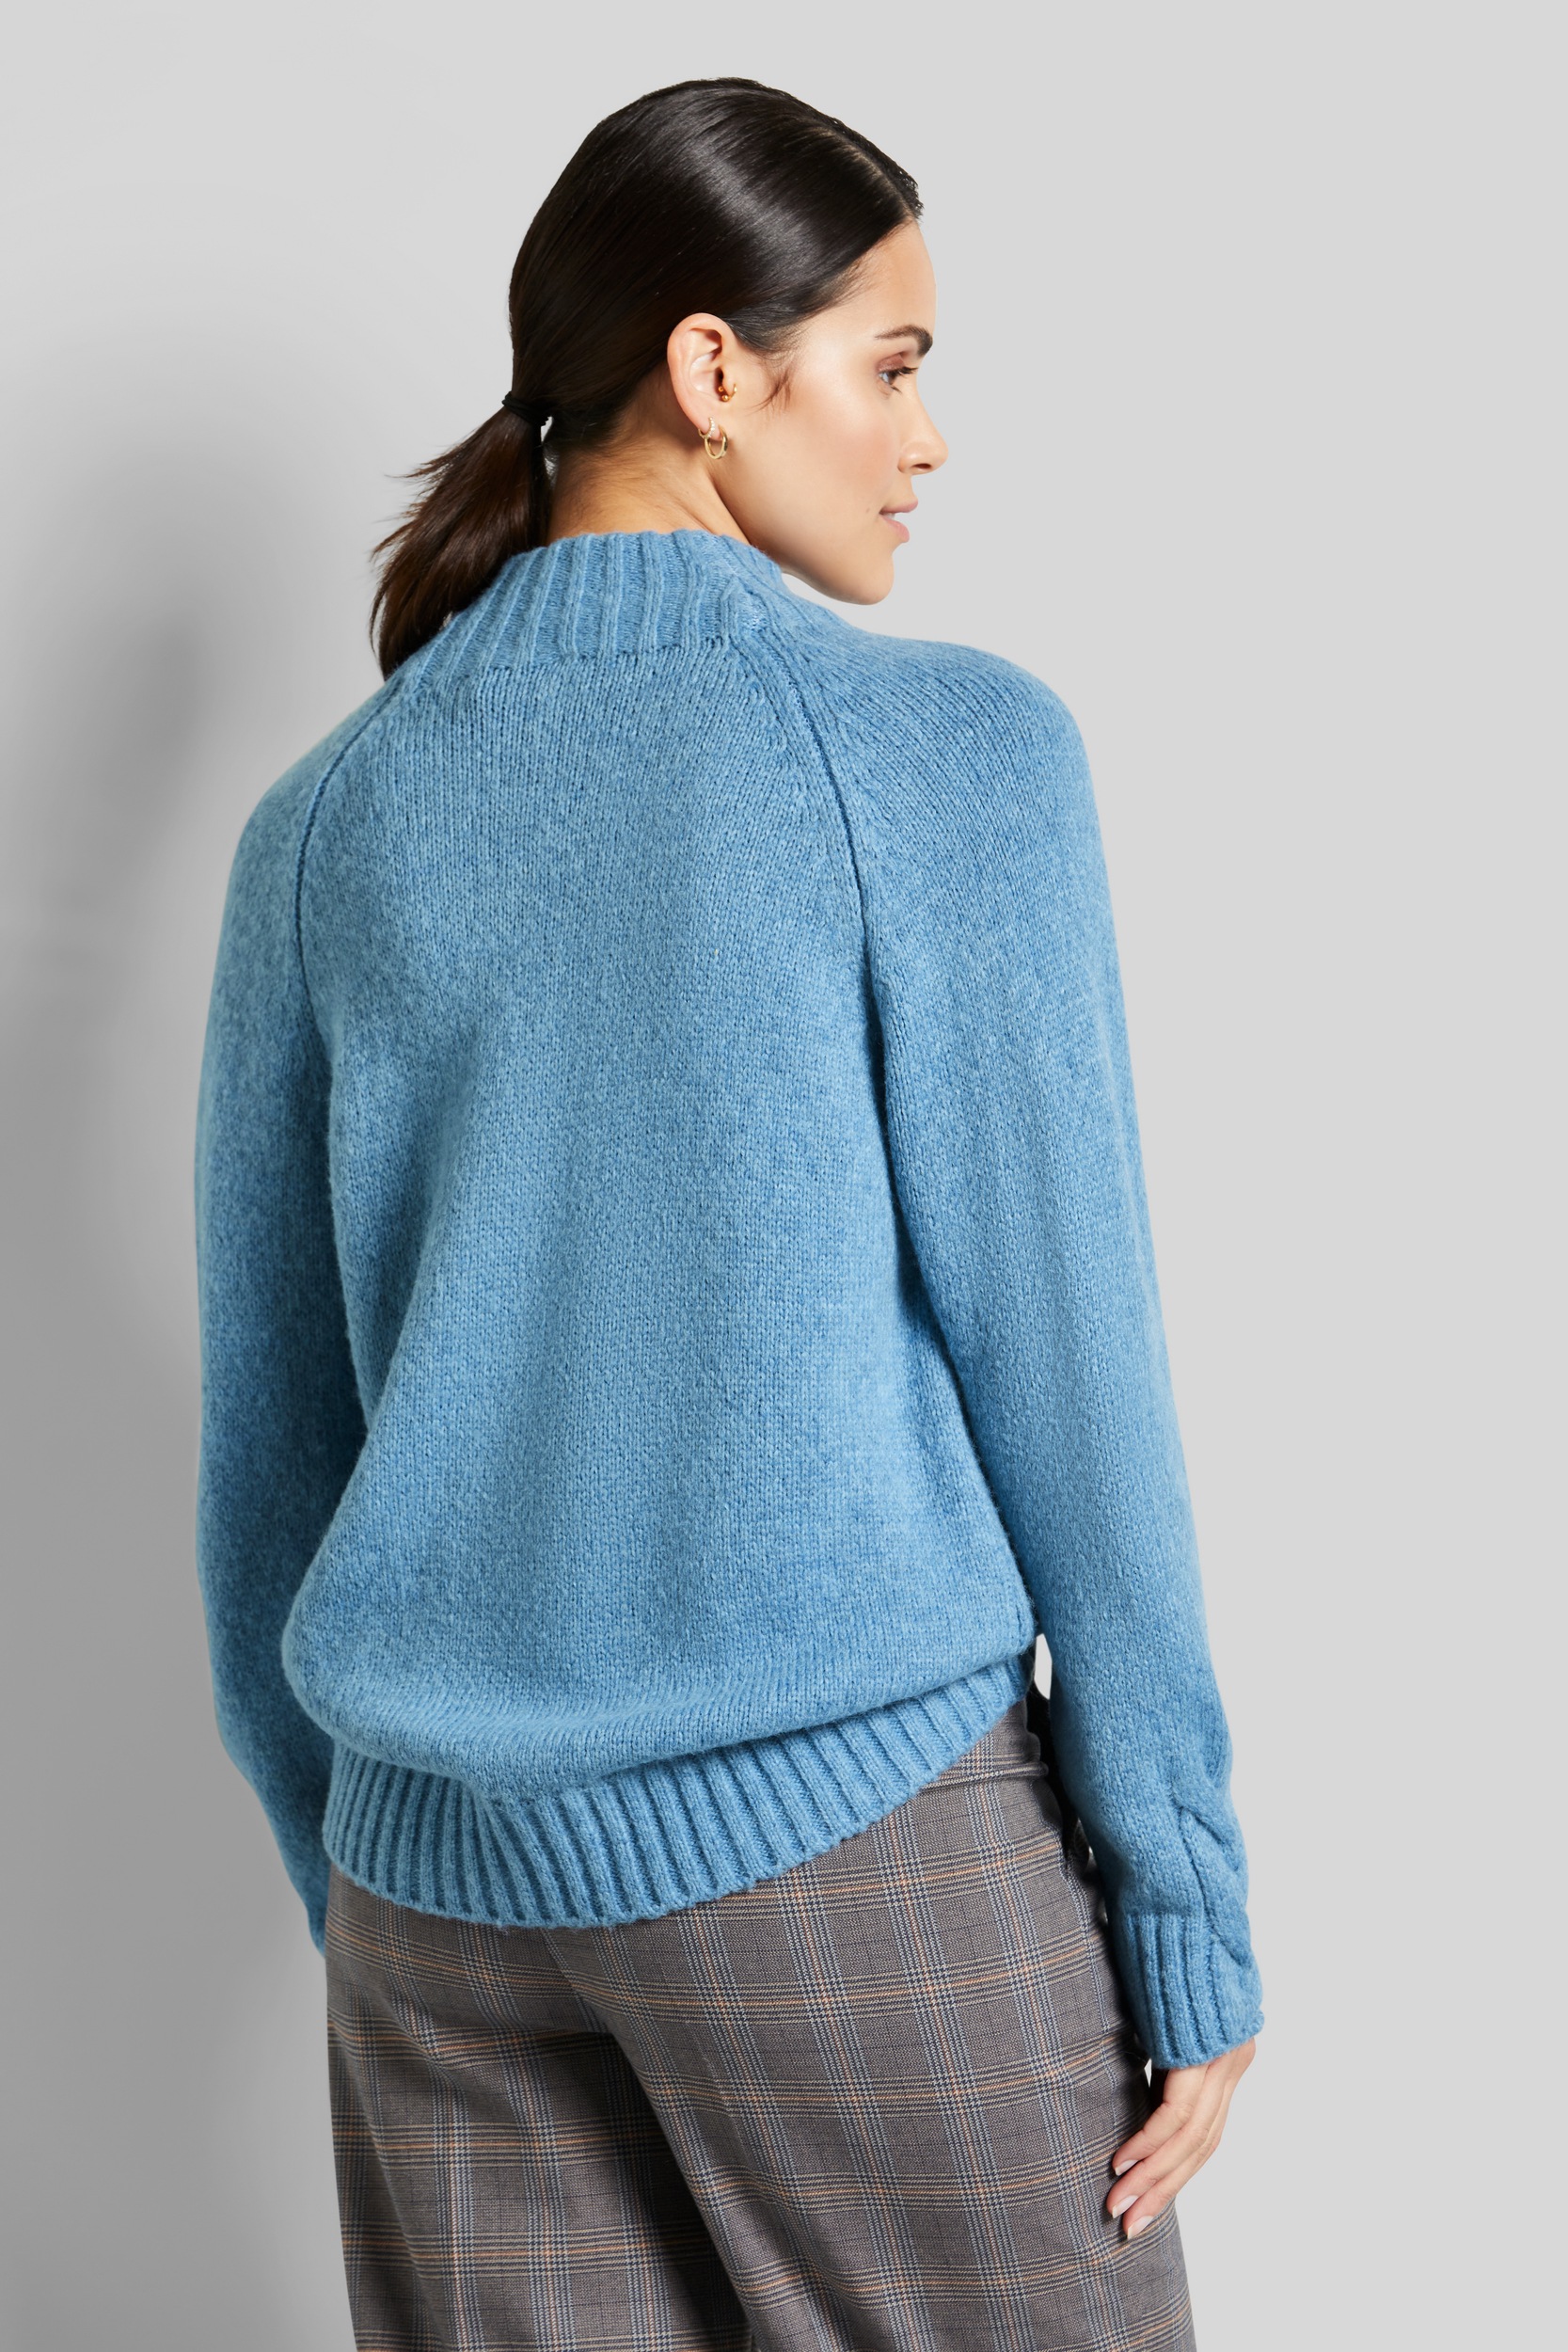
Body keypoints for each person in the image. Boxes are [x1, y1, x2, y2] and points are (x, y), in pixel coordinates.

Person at [193, 74, 1262, 2352]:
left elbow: (268, 1459)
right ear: (712, 367)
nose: (927, 437)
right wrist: (1181, 1894)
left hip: (435, 1903)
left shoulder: (322, 827)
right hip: (845, 1841)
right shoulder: (943, 754)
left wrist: (365, 1877)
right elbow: (1071, 1368)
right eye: (893, 362)